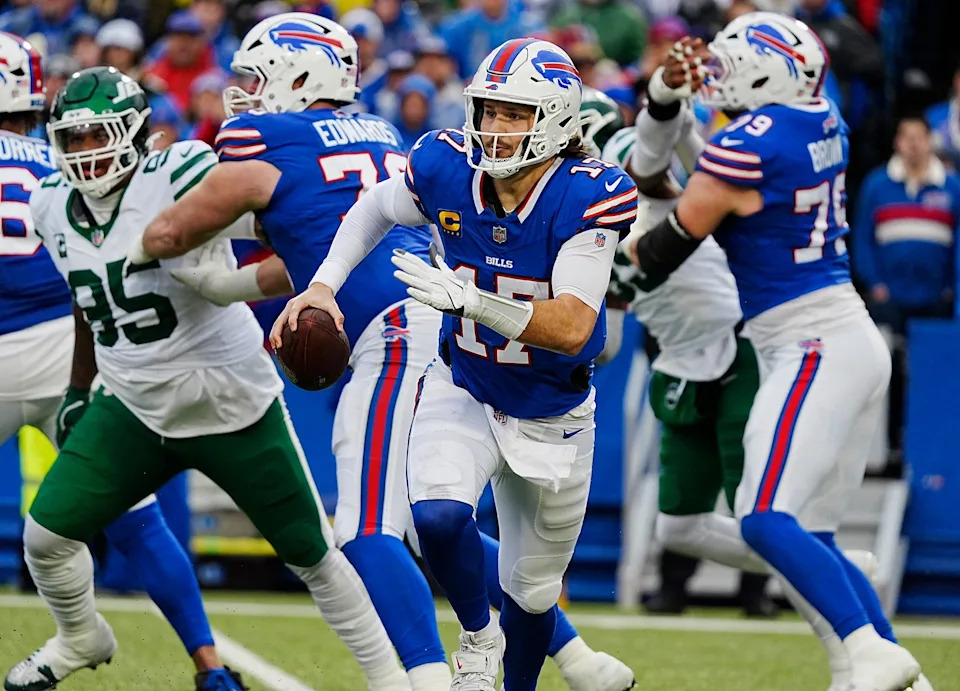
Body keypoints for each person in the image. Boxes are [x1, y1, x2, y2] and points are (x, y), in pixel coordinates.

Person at [135, 16, 637, 691]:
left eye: (256, 78)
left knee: (370, 526)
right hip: (432, 323)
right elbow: (335, 232)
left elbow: (170, 231)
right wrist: (244, 284)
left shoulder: (270, 138)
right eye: (490, 110)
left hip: (429, 335)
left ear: (298, 77)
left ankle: (429, 678)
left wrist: (126, 242)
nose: (244, 94)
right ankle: (569, 658)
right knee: (428, 515)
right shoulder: (385, 133)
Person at [3, 64, 407, 691]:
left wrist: (236, 284)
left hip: (232, 401)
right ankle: (81, 635)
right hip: (134, 405)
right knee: (46, 537)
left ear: (136, 133)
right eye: (74, 140)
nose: (86, 154)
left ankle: (390, 680)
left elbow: (290, 234)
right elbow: (86, 300)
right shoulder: (48, 201)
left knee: (314, 557)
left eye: (99, 136)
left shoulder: (181, 171)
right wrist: (81, 389)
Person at [623, 12, 927, 690]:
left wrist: (601, 266)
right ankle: (882, 667)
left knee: (762, 517)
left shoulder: (750, 145)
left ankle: (870, 652)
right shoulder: (821, 116)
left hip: (809, 345)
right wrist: (671, 101)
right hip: (842, 335)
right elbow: (710, 179)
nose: (719, 81)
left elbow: (671, 235)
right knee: (806, 536)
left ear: (767, 75)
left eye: (731, 69)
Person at [0, 38, 243, 691]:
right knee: (137, 517)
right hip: (66, 339)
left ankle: (80, 631)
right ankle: (209, 665)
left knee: (67, 523)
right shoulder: (62, 159)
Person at [853, 116, 960, 458]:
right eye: (907, 137)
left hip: (935, 299)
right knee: (888, 371)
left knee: (931, 370)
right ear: (897, 142)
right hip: (890, 298)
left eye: (920, 137)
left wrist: (951, 287)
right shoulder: (876, 184)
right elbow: (861, 239)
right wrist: (876, 283)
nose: (914, 144)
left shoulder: (951, 187)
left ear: (930, 142)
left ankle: (929, 447)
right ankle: (888, 447)